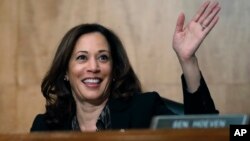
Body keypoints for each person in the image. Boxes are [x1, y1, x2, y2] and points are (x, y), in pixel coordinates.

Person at [30, 0, 221, 132]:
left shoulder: (144, 111)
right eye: (81, 58)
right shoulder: (45, 127)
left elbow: (207, 132)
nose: (93, 67)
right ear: (65, 71)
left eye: (103, 57)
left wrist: (188, 60)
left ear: (114, 71)